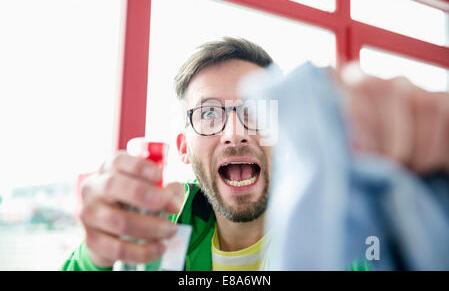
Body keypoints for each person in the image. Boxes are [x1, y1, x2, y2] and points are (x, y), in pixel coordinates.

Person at [61, 37, 449, 271]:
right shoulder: (149, 237)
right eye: (209, 114)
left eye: (256, 112)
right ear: (183, 148)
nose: (235, 134)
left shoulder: (355, 235)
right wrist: (94, 253)